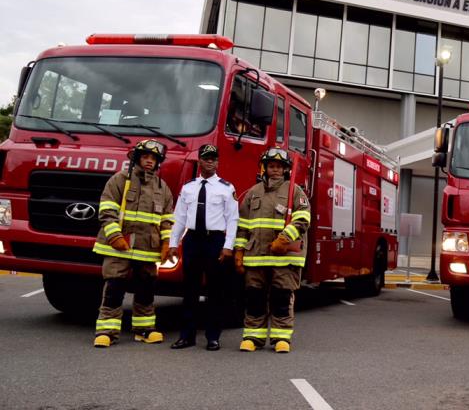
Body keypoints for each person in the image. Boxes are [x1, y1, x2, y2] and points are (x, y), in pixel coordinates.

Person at [92, 139, 175, 348]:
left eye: (153, 158)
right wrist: (114, 236)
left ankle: (144, 329)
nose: (149, 161)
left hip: (147, 249)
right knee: (114, 288)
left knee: (146, 289)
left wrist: (166, 243)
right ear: (137, 159)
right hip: (120, 246)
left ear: (158, 163)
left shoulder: (161, 187)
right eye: (145, 157)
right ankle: (107, 332)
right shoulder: (119, 180)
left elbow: (167, 219)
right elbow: (107, 210)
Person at [235, 148, 311, 353]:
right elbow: (242, 225)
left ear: (286, 169)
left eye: (279, 167)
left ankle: (281, 338)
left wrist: (285, 239)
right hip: (256, 257)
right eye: (271, 166)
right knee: (255, 298)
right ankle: (253, 336)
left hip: (285, 258)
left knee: (281, 298)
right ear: (265, 168)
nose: (275, 170)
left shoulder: (295, 192)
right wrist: (239, 252)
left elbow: (303, 219)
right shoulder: (253, 193)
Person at [168, 144, 239, 350]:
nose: (210, 162)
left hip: (214, 240)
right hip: (192, 240)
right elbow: (179, 218)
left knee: (215, 291)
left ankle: (213, 337)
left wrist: (228, 246)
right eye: (206, 158)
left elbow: (233, 219)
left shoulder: (227, 188)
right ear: (199, 161)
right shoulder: (188, 187)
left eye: (213, 159)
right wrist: (174, 243)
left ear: (217, 162)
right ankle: (186, 336)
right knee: (189, 289)